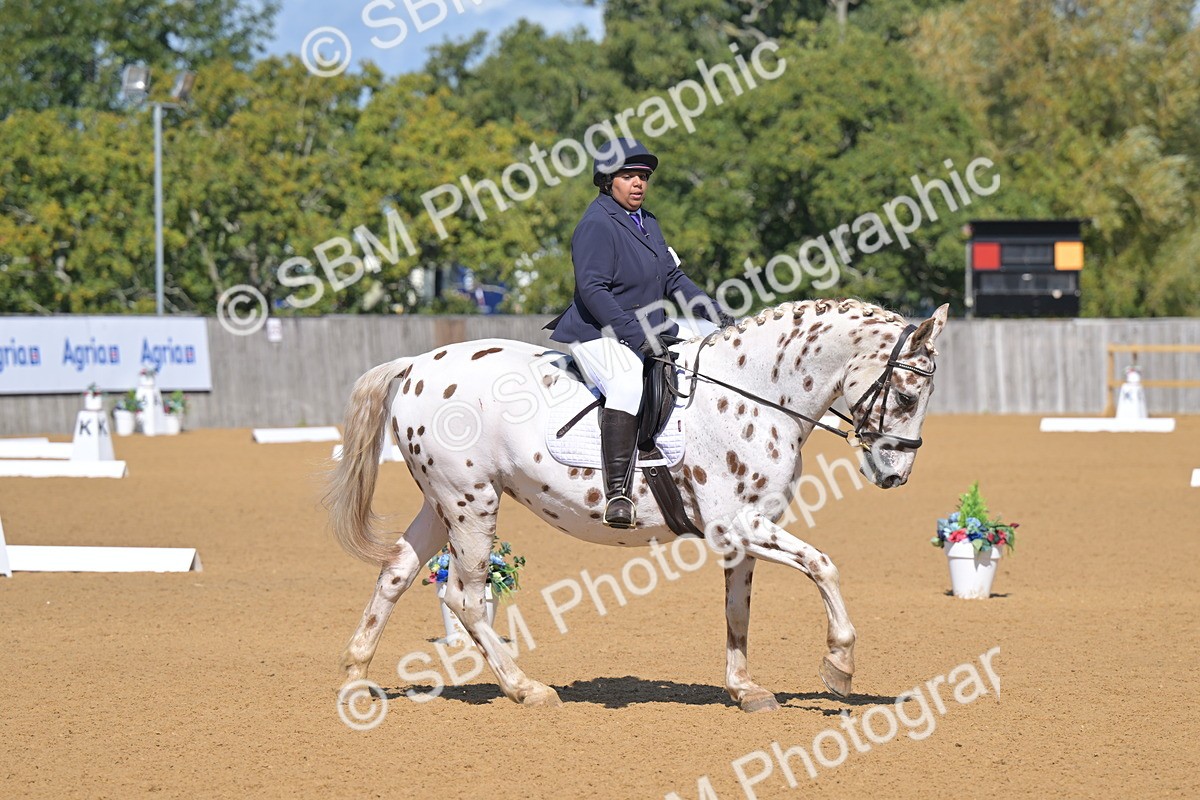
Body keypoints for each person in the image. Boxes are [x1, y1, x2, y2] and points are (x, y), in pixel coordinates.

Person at [545, 138, 733, 529]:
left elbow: (674, 279)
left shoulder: (649, 222)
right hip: (598, 330)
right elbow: (593, 290)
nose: (638, 183)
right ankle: (618, 493)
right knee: (627, 382)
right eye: (628, 175)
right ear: (607, 180)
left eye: (643, 176)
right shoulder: (595, 224)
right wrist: (634, 334)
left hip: (644, 326)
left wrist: (719, 316)